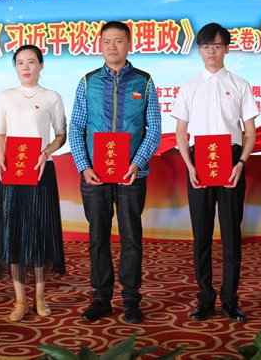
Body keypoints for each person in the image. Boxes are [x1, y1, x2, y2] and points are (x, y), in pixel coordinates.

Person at [68, 20, 161, 324]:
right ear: (100, 45)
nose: (112, 46)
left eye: (118, 41)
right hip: (95, 174)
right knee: (98, 236)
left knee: (131, 236)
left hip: (131, 174)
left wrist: (137, 163)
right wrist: (84, 167)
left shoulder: (144, 82)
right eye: (107, 41)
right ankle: (101, 298)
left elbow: (154, 129)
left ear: (129, 44)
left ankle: (131, 299)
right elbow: (76, 127)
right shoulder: (88, 82)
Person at [173, 22, 258, 323]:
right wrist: (189, 165)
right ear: (199, 50)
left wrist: (241, 163)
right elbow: (180, 132)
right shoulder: (189, 86)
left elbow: (250, 132)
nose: (211, 51)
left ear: (227, 49)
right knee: (202, 234)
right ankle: (206, 298)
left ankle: (231, 300)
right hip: (199, 161)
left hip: (231, 161)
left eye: (217, 46)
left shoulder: (240, 84)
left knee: (232, 233)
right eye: (206, 46)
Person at [0, 45, 67, 322]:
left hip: (40, 170)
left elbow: (60, 135)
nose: (25, 67)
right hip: (11, 171)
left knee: (40, 233)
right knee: (13, 234)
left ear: (41, 65)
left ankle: (40, 297)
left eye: (31, 62)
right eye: (20, 62)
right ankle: (20, 300)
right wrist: (0, 155)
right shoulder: (5, 96)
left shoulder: (52, 97)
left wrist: (46, 152)